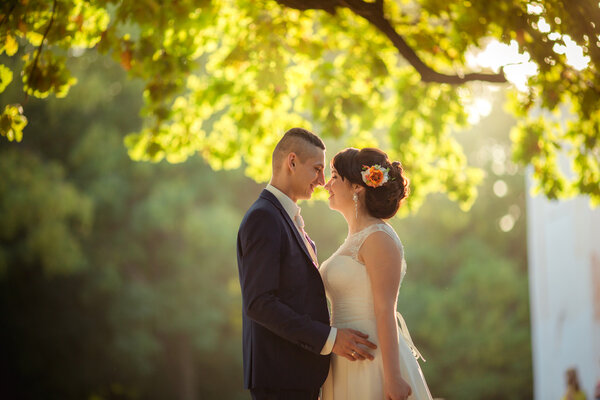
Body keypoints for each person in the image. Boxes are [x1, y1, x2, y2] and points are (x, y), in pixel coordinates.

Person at [236, 128, 377, 400]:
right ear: (291, 162)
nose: (322, 180)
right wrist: (330, 338)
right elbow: (259, 302)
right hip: (280, 379)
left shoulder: (283, 217)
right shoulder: (263, 218)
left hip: (297, 375)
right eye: (317, 169)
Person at [320, 147, 433, 400]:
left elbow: (385, 309)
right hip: (344, 356)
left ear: (357, 187)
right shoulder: (353, 239)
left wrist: (392, 377)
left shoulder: (379, 238)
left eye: (335, 177)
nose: (327, 185)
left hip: (373, 358)